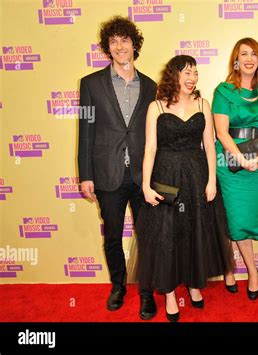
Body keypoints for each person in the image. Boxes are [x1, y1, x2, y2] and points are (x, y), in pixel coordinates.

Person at [135, 55, 234, 322]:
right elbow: (150, 148)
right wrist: (145, 185)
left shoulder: (203, 103)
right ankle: (168, 293)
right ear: (174, 75)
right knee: (167, 235)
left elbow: (210, 146)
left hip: (197, 176)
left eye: (195, 72)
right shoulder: (156, 106)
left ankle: (192, 283)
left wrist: (212, 179)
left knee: (195, 231)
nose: (192, 78)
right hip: (166, 177)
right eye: (186, 72)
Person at [78, 16, 157, 317]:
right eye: (114, 41)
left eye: (125, 40)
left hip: (143, 176)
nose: (120, 46)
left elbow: (155, 134)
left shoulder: (151, 86)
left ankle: (147, 293)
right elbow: (86, 130)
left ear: (134, 45)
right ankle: (118, 286)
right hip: (106, 174)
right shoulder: (89, 84)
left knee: (147, 236)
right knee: (112, 235)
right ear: (107, 48)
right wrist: (86, 175)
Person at [212, 38, 258, 301]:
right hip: (230, 160)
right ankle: (248, 271)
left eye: (254, 54)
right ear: (235, 61)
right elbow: (222, 133)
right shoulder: (223, 91)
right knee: (233, 217)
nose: (249, 58)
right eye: (243, 54)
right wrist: (240, 159)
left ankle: (240, 269)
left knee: (248, 219)